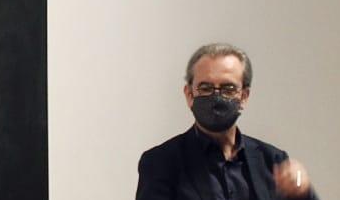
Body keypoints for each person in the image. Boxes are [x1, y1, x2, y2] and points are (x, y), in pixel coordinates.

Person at [135, 42, 319, 200]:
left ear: (244, 96)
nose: (217, 97)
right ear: (189, 95)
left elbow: (299, 190)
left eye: (228, 88)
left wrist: (301, 187)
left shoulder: (272, 160)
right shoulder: (161, 162)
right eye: (205, 88)